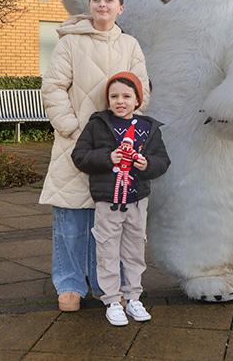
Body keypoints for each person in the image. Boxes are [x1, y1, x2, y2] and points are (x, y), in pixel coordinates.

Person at [39, 0, 150, 312]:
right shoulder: (71, 43)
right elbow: (54, 86)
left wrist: (131, 133)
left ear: (121, 8)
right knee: (71, 217)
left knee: (111, 219)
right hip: (76, 143)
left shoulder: (130, 45)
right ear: (90, 6)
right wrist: (70, 127)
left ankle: (107, 285)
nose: (102, 4)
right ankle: (70, 283)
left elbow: (141, 91)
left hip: (118, 147)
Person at [72, 72, 170, 326]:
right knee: (107, 248)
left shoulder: (148, 129)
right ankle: (113, 301)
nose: (120, 101)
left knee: (134, 249)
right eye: (114, 96)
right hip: (108, 200)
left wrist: (147, 164)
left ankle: (133, 297)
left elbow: (163, 161)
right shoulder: (97, 125)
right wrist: (108, 158)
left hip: (137, 200)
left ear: (137, 99)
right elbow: (80, 156)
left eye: (127, 96)